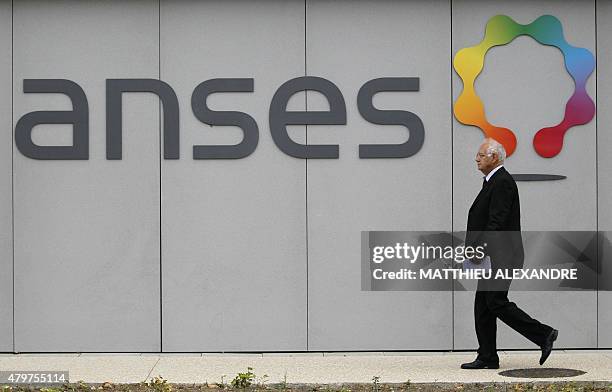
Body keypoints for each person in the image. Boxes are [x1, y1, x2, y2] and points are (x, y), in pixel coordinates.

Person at [460, 138, 558, 370]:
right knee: (483, 305)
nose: (476, 158)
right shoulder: (491, 182)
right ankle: (487, 356)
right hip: (493, 255)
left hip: (500, 256)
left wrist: (479, 251)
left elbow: (497, 222)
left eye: (481, 155)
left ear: (494, 157)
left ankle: (544, 334)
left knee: (495, 302)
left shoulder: (502, 182)